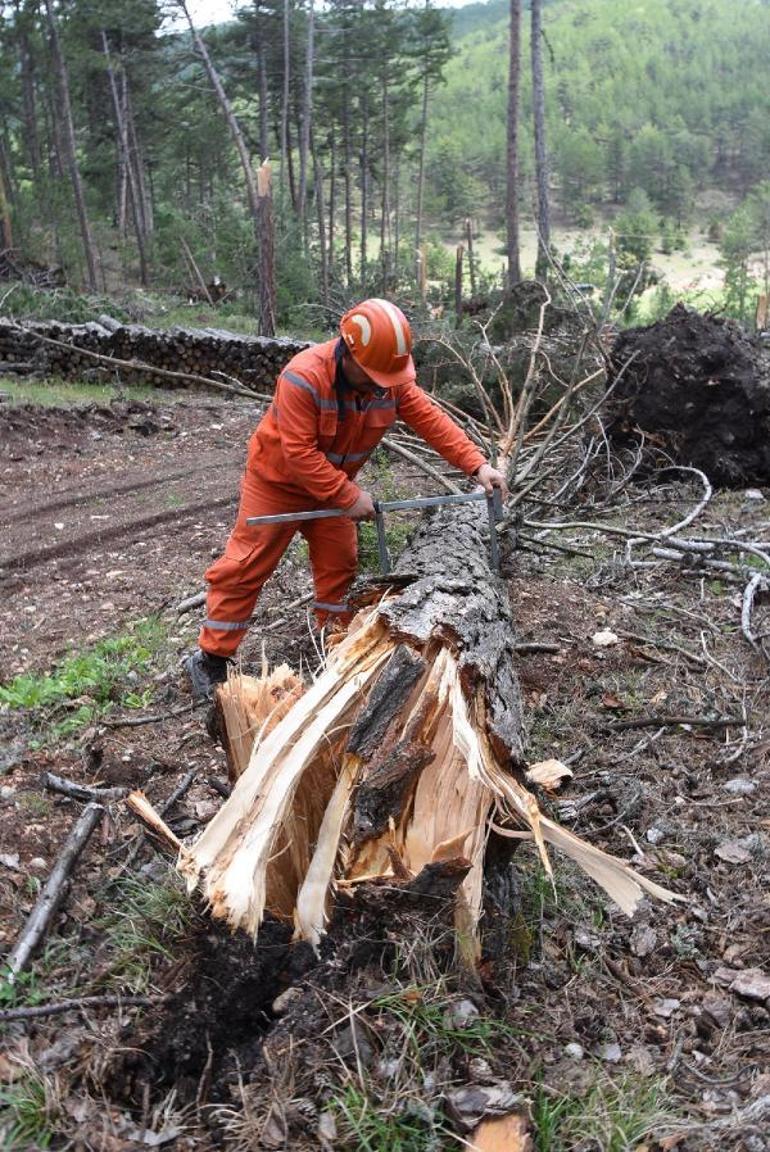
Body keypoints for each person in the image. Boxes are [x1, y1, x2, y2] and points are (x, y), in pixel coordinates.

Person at [184, 298, 508, 700]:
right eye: (374, 375)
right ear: (348, 351)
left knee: (339, 566)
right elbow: (299, 453)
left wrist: (476, 465)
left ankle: (332, 648)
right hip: (278, 486)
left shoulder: (389, 380)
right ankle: (210, 658)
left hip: (336, 486)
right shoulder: (302, 377)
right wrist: (347, 494)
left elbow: (430, 419)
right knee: (246, 565)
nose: (381, 384)